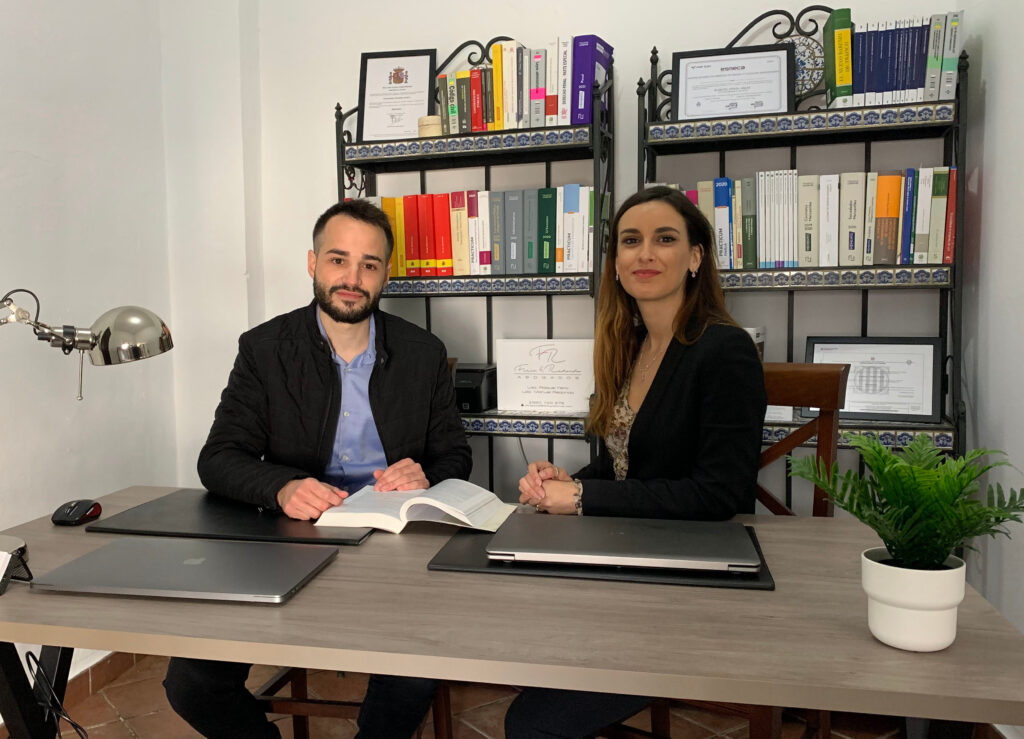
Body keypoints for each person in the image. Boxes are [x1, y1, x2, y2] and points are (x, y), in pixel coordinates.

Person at [163, 199, 472, 739]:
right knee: (191, 682)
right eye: (338, 260)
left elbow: (454, 455)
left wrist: (424, 473)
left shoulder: (424, 353)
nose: (352, 278)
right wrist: (282, 488)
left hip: (393, 544)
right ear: (312, 264)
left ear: (386, 274)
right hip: (291, 539)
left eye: (369, 265)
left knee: (412, 675)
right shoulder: (263, 349)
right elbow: (218, 457)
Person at [505, 185, 766, 738]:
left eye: (664, 239)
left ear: (695, 257)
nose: (644, 254)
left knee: (531, 724)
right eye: (630, 241)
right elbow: (625, 465)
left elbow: (720, 494)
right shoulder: (632, 345)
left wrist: (580, 499)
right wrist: (569, 479)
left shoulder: (726, 350)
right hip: (632, 563)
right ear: (616, 264)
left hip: (689, 587)